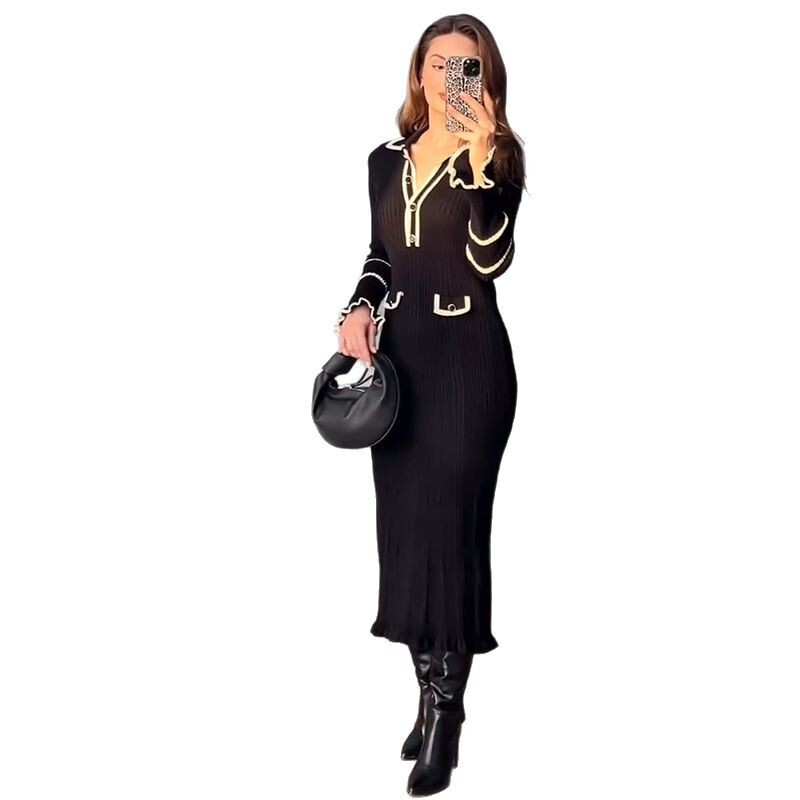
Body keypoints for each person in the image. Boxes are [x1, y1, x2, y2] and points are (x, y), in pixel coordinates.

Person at [333, 14, 526, 797]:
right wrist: (358, 307)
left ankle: (447, 715)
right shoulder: (383, 161)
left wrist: (480, 164)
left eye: (465, 67)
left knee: (451, 533)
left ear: (485, 79)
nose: (450, 79)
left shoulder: (499, 159)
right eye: (439, 64)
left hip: (471, 369)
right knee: (408, 534)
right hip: (401, 372)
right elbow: (381, 254)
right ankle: (425, 691)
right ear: (418, 73)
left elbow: (493, 258)